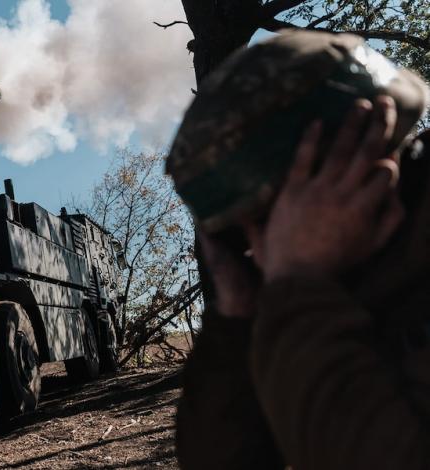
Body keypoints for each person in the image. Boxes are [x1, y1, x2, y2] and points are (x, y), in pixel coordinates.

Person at [168, 30, 430, 469]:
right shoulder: (343, 274)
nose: (261, 245)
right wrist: (235, 321)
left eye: (268, 218)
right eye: (244, 232)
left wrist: (299, 286)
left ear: (349, 163)